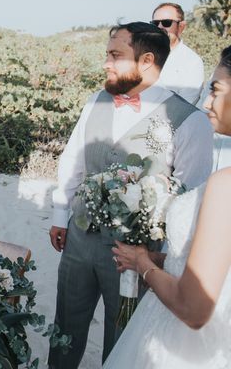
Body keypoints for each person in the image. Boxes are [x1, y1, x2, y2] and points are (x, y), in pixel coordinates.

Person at [47, 22, 213, 369]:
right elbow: (73, 159)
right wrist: (60, 217)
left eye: (115, 55)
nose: (106, 63)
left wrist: (157, 257)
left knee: (122, 338)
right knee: (66, 326)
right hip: (78, 240)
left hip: (135, 256)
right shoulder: (97, 100)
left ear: (146, 60)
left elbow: (189, 199)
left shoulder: (189, 121)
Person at [104, 45, 231, 369]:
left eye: (215, 89)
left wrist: (145, 264)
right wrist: (166, 260)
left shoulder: (225, 185)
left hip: (179, 349)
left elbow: (194, 308)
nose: (206, 102)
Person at [152, 2, 204, 104]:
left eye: (167, 23)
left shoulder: (192, 62)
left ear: (181, 27)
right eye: (155, 23)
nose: (160, 27)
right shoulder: (141, 55)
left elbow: (186, 104)